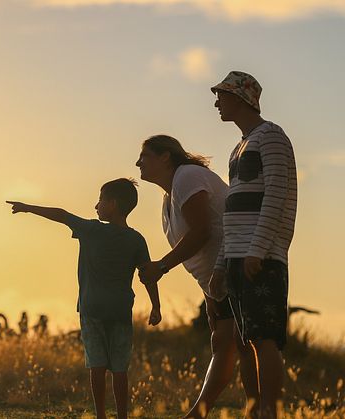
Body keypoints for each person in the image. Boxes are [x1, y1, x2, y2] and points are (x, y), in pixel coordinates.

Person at [7, 178, 160, 419]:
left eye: (100, 200)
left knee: (96, 366)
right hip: (120, 310)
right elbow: (148, 275)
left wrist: (28, 207)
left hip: (92, 309)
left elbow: (61, 214)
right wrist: (156, 306)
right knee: (120, 369)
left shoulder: (92, 229)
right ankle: (122, 416)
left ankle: (100, 415)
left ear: (112, 204)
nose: (96, 206)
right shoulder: (136, 239)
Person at [136, 135, 250, 418]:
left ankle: (250, 410)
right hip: (217, 280)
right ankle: (205, 412)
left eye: (145, 155)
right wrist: (208, 293)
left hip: (237, 264)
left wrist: (161, 266)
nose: (138, 162)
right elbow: (200, 246)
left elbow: (202, 232)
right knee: (225, 343)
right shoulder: (169, 196)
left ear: (165, 157)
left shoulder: (186, 176)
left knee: (245, 344)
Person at [209, 71, 298, 419]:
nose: (217, 102)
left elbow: (277, 194)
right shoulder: (238, 147)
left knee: (264, 339)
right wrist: (220, 265)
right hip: (236, 256)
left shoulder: (271, 136)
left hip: (260, 256)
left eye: (222, 95)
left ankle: (269, 413)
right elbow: (232, 212)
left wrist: (258, 249)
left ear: (241, 99)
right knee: (246, 342)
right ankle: (254, 410)